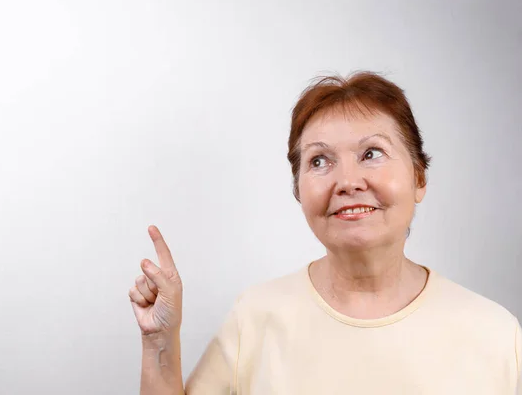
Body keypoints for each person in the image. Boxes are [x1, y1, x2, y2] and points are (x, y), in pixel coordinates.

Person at [128, 72, 522, 394]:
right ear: (299, 191)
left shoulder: (495, 332)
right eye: (320, 161)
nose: (348, 182)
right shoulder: (256, 317)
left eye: (371, 153)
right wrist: (159, 341)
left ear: (419, 177)